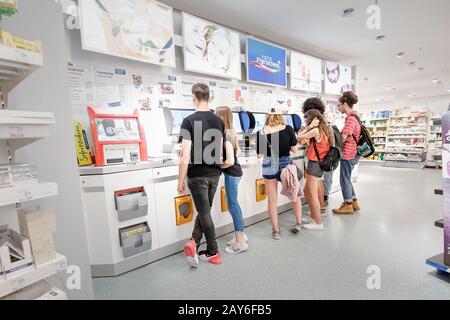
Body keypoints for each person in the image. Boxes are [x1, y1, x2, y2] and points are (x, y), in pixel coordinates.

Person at [178, 83, 225, 267]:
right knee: (205, 211)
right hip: (215, 174)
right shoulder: (219, 120)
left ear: (193, 98)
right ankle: (194, 242)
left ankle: (214, 251)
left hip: (197, 174)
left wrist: (180, 179)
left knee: (204, 212)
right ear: (209, 98)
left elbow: (184, 155)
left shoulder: (188, 120)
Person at [256, 108, 303, 240]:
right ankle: (298, 223)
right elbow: (294, 150)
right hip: (285, 165)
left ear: (267, 116)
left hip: (268, 165)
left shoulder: (262, 131)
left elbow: (259, 154)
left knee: (272, 200)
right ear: (281, 115)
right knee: (294, 194)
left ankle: (276, 230)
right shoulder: (288, 129)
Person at [215, 106, 248, 254]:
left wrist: (217, 166)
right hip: (236, 172)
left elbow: (229, 161)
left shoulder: (226, 135)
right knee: (235, 205)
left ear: (221, 117)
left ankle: (240, 243)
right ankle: (241, 234)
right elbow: (238, 152)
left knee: (233, 206)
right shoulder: (231, 132)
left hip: (232, 173)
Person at [296, 110, 333, 230]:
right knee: (307, 192)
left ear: (311, 119)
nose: (305, 121)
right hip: (319, 164)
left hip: (315, 164)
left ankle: (317, 223)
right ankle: (314, 216)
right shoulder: (324, 129)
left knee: (312, 195)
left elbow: (299, 137)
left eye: (306, 119)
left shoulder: (316, 130)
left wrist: (309, 127)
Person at [332, 91, 361, 215]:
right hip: (354, 152)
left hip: (348, 153)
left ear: (344, 103)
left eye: (339, 105)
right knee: (347, 178)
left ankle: (348, 205)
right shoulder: (355, 117)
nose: (338, 107)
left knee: (344, 179)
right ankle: (353, 202)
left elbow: (344, 137)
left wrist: (337, 138)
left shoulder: (350, 119)